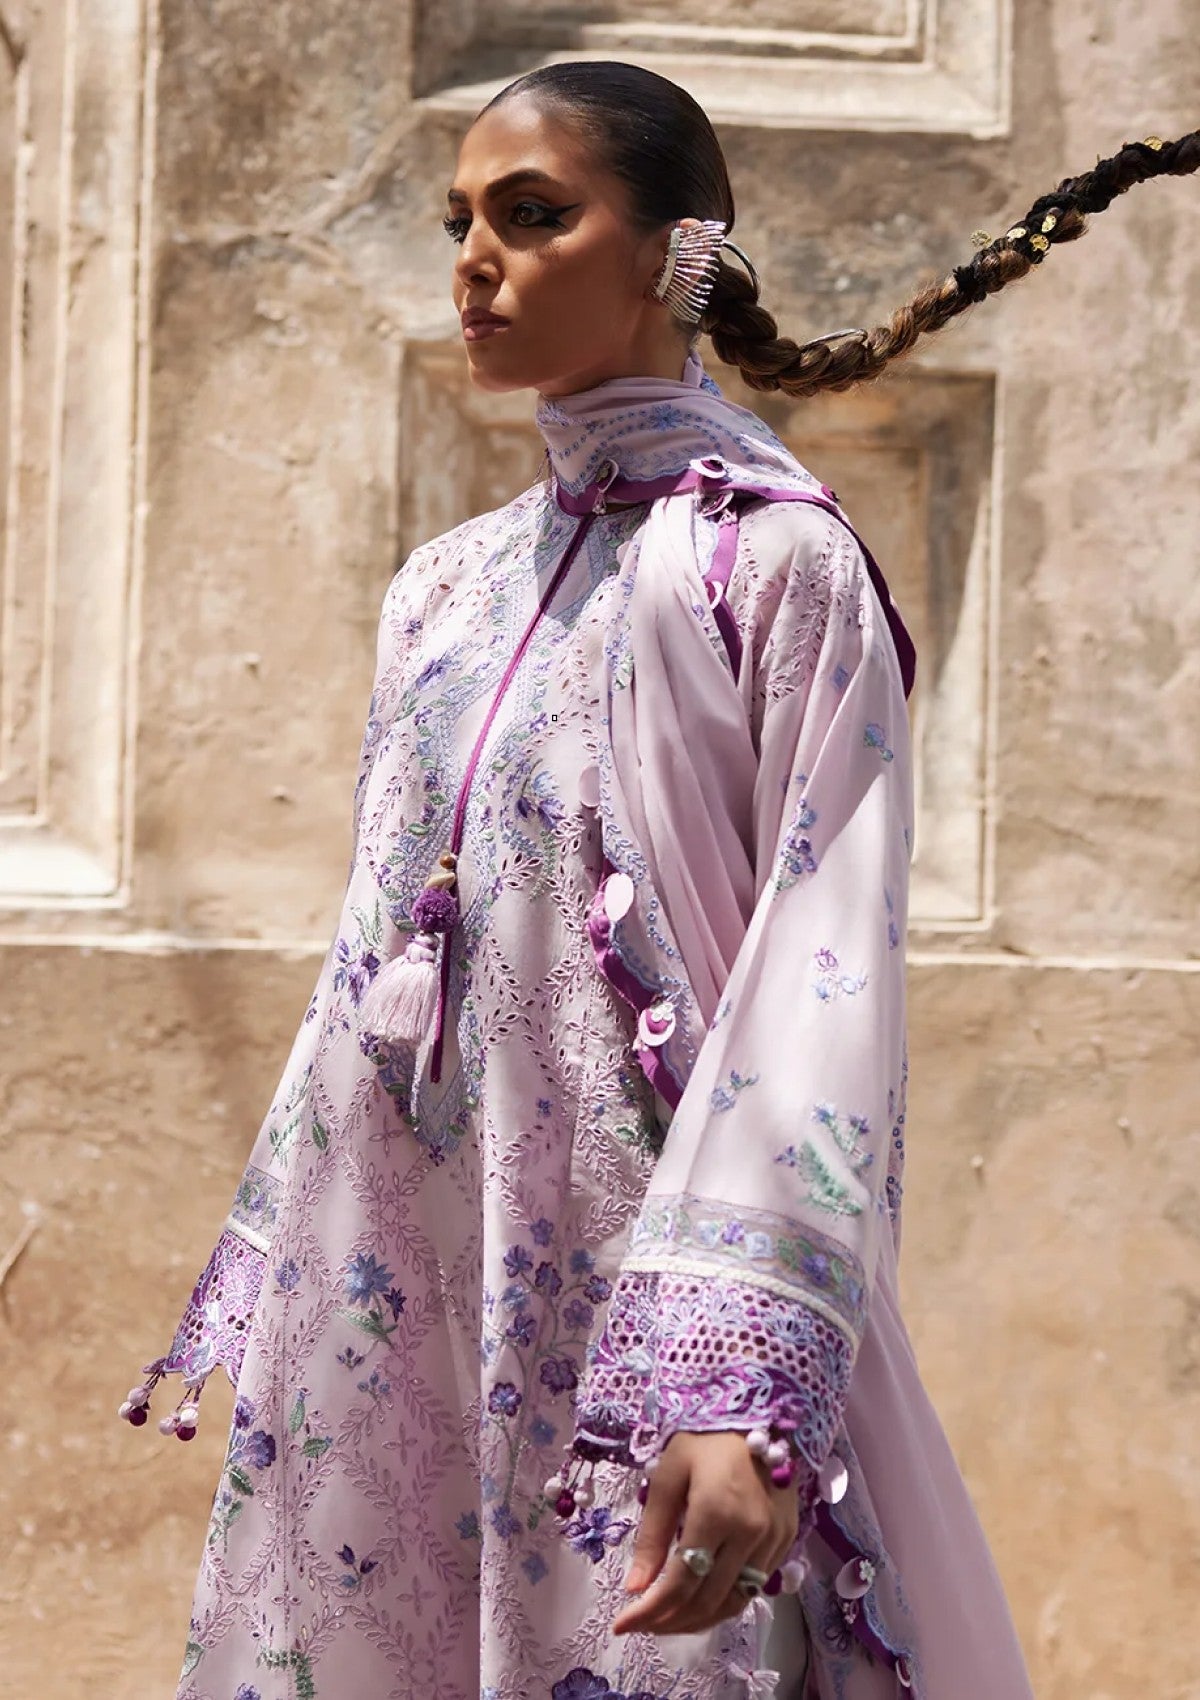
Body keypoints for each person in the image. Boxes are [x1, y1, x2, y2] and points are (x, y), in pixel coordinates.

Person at [118, 59, 1198, 1700]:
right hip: (408, 1288)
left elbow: (820, 976)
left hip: (639, 1303)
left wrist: (736, 1389)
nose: (476, 262)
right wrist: (293, 1274)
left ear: (674, 257)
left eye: (532, 215)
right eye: (460, 223)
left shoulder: (776, 562)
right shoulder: (442, 593)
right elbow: (368, 961)